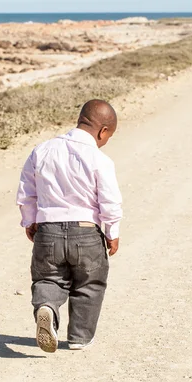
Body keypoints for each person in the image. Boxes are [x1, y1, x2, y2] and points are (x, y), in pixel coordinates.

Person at [16, 99, 123, 353]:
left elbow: (26, 191)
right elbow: (109, 200)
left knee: (48, 278)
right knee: (89, 284)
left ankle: (48, 308)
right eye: (107, 137)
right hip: (86, 232)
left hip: (48, 231)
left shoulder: (42, 150)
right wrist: (112, 232)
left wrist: (30, 220)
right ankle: (79, 337)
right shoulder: (100, 159)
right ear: (103, 131)